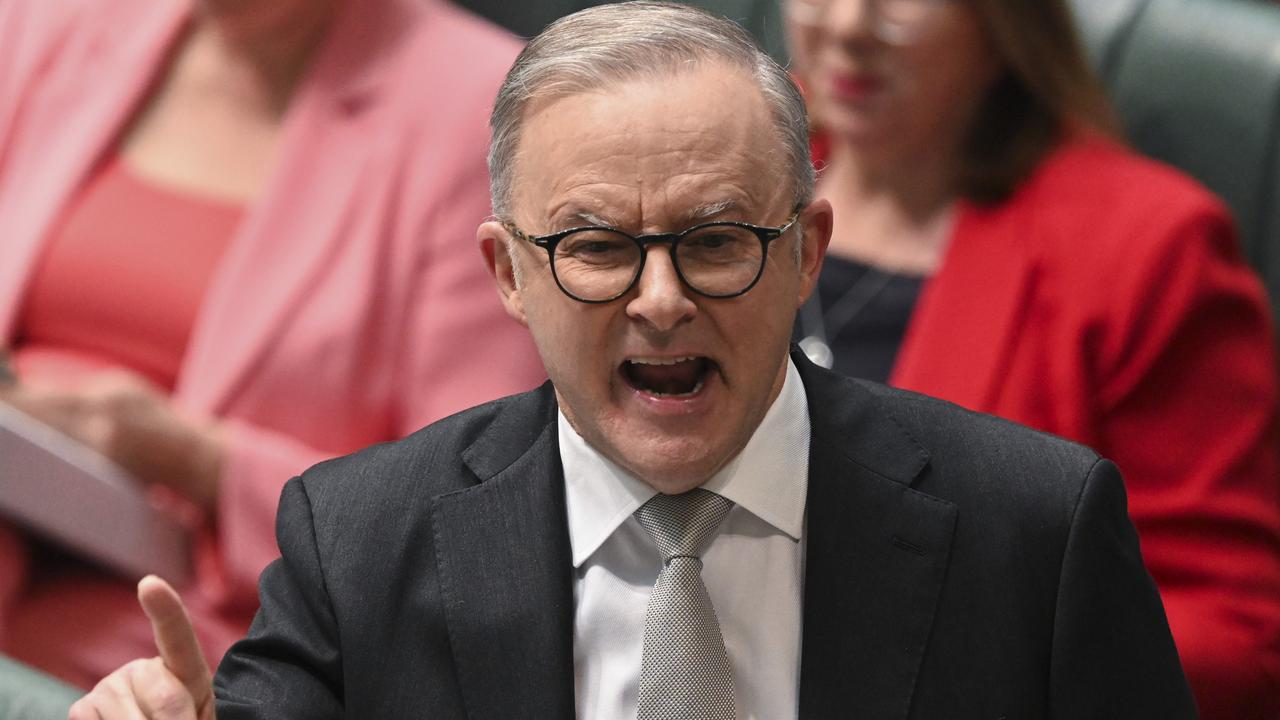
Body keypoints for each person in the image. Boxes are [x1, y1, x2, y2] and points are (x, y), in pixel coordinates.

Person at [71, 3, 1196, 718]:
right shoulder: (358, 542)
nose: (660, 302)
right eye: (597, 250)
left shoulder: (1033, 531)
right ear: (507, 274)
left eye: (713, 243)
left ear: (804, 251)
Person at [0, 0, 544, 690]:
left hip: (204, 637)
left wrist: (193, 459)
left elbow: (470, 524)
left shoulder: (482, 108)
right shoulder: (43, 19)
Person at [784, 1, 1280, 717]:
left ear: (1004, 23)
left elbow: (1234, 634)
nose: (849, 26)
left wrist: (969, 661)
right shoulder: (724, 150)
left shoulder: (1145, 247)